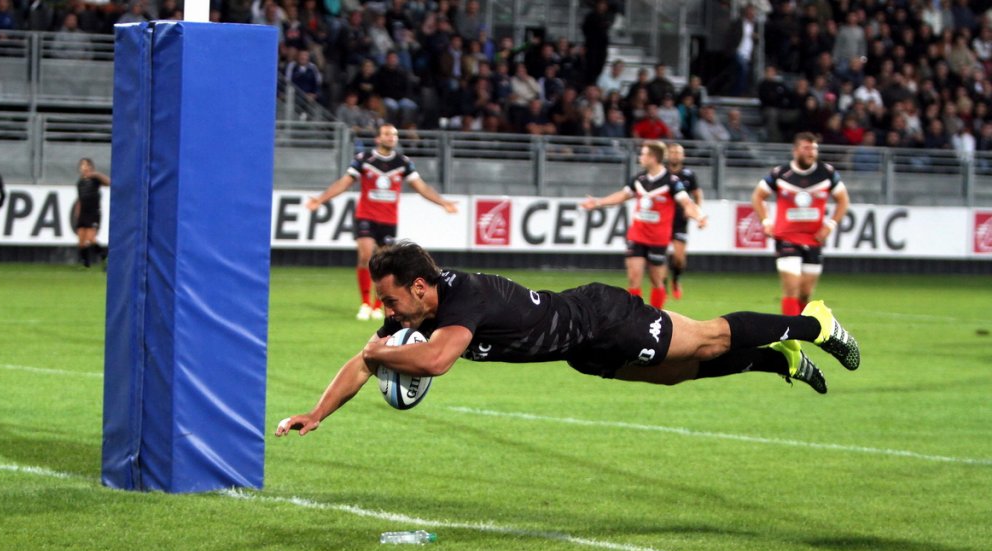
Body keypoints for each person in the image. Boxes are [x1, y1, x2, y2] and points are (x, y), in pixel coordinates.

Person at [275, 240, 862, 438]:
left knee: (707, 337)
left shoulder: (462, 301)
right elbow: (364, 360)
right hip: (579, 351)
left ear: (422, 287)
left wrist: (383, 351)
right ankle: (776, 362)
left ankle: (816, 324)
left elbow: (437, 362)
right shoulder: (417, 313)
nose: (385, 309)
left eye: (391, 298)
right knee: (680, 372)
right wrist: (318, 411)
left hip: (601, 316)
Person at [305, 124, 458, 321]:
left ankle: (380, 305)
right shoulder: (364, 160)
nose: (391, 138)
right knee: (365, 256)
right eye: (387, 134)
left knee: (385, 265)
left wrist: (442, 202)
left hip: (388, 220)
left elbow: (421, 187)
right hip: (366, 216)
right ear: (378, 138)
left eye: (394, 135)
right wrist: (321, 199)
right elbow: (344, 182)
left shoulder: (402, 162)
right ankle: (365, 304)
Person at [580, 140, 708, 310]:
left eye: (644, 154)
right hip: (637, 235)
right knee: (634, 277)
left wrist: (699, 216)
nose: (641, 157)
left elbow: (686, 203)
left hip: (658, 239)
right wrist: (597, 202)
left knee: (656, 280)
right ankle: (633, 318)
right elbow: (622, 196)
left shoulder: (672, 182)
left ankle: (656, 315)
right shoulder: (639, 179)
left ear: (653, 158)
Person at [751, 132, 850, 316]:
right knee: (792, 287)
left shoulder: (826, 173)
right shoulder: (781, 173)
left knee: (805, 293)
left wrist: (830, 225)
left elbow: (843, 200)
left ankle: (801, 330)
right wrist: (766, 221)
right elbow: (758, 196)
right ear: (795, 151)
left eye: (814, 149)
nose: (811, 152)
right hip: (786, 238)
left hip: (814, 239)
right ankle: (790, 337)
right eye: (806, 148)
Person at [664, 143, 705, 300]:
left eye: (678, 152)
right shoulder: (663, 174)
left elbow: (697, 194)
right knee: (660, 257)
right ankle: (663, 286)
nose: (675, 155)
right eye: (672, 152)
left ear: (683, 156)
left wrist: (697, 212)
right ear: (668, 155)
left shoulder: (689, 175)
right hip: (663, 221)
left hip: (681, 220)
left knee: (679, 259)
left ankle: (675, 279)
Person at [73, 158, 110, 268]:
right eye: (82, 165)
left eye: (86, 165)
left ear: (91, 167)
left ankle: (105, 257)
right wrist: (78, 211)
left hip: (93, 212)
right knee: (81, 241)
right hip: (83, 213)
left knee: (90, 239)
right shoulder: (80, 182)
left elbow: (108, 182)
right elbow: (80, 198)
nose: (84, 167)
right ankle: (85, 264)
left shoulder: (95, 179)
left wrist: (96, 174)